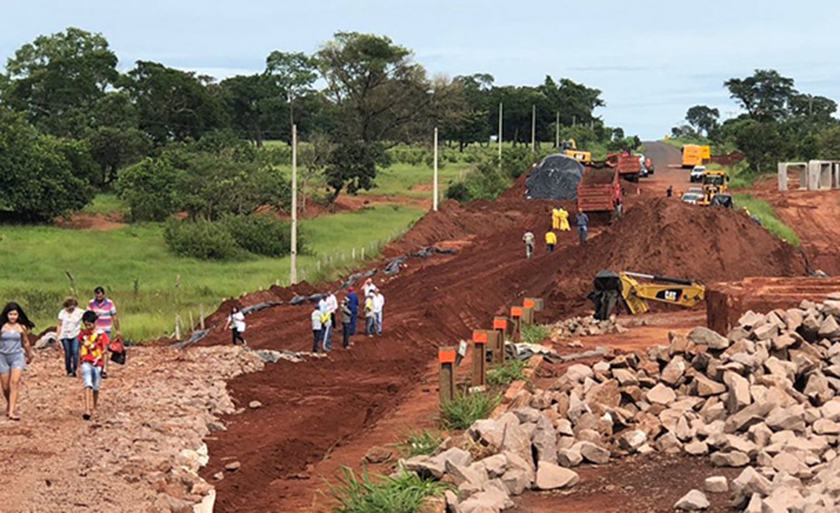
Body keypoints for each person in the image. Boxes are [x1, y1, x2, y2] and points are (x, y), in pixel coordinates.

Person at [0, 303, 34, 421]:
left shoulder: (21, 327)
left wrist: (29, 354)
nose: (13, 317)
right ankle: (10, 403)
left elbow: (25, 342)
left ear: (18, 315)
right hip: (3, 357)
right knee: (5, 386)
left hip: (17, 356)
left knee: (14, 383)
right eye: (10, 314)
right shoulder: (2, 327)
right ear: (6, 314)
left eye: (15, 314)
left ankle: (11, 411)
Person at [78, 310, 109, 420]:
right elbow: (80, 349)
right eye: (86, 325)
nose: (88, 327)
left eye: (89, 324)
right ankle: (87, 408)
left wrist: (105, 368)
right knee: (87, 384)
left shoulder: (101, 335)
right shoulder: (82, 335)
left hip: (98, 363)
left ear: (95, 322)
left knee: (96, 386)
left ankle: (94, 406)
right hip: (86, 361)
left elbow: (105, 351)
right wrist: (78, 364)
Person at [88, 287, 120, 379]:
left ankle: (104, 369)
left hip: (106, 330)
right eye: (97, 296)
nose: (99, 298)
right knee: (94, 349)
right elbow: (88, 317)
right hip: (94, 330)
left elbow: (114, 317)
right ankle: (95, 367)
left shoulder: (110, 303)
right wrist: (94, 317)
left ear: (104, 295)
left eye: (100, 296)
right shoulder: (91, 303)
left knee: (104, 350)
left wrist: (118, 330)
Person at [58, 297, 83, 377]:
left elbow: (88, 316)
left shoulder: (79, 312)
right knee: (68, 353)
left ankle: (74, 369)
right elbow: (59, 325)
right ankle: (68, 369)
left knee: (75, 352)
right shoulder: (62, 313)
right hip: (65, 335)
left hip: (75, 334)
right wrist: (58, 336)